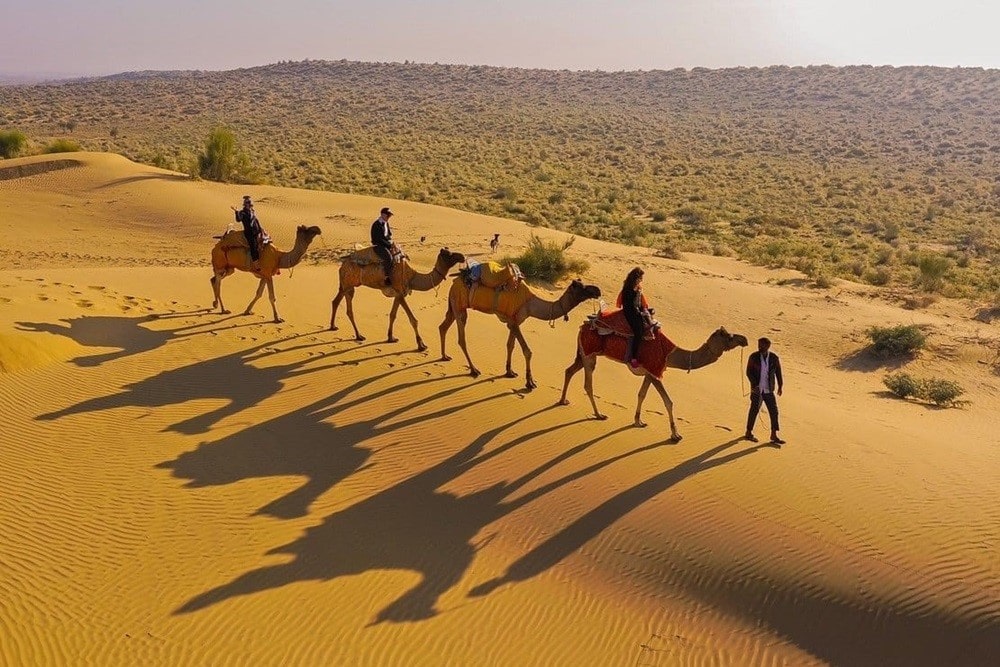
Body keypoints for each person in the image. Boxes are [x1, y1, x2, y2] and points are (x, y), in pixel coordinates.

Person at [745, 337, 785, 444]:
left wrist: (780, 386)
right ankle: (748, 432)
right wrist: (754, 384)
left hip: (768, 390)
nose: (759, 347)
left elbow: (778, 373)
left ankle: (774, 434)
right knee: (754, 410)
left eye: (762, 345)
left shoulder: (774, 358)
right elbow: (748, 372)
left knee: (774, 411)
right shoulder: (753, 357)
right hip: (757, 390)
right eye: (759, 345)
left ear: (768, 346)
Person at [617, 267, 651, 369]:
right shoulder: (628, 289)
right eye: (640, 278)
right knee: (638, 332)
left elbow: (639, 303)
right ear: (636, 278)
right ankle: (633, 357)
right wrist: (640, 313)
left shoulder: (636, 287)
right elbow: (630, 305)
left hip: (636, 311)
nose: (641, 280)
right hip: (630, 313)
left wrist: (644, 311)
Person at [233, 195, 262, 270]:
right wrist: (236, 212)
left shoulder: (252, 211)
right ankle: (256, 264)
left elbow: (256, 221)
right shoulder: (242, 213)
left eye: (250, 203)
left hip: (257, 232)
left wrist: (261, 230)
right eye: (248, 203)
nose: (250, 204)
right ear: (245, 204)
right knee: (253, 247)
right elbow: (238, 220)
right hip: (250, 233)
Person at [370, 206, 395, 285]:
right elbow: (379, 239)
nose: (389, 217)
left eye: (390, 216)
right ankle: (386, 277)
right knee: (389, 258)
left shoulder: (386, 224)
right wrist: (389, 245)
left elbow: (388, 235)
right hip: (378, 246)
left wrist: (391, 242)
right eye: (388, 215)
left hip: (385, 245)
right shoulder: (377, 224)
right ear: (383, 215)